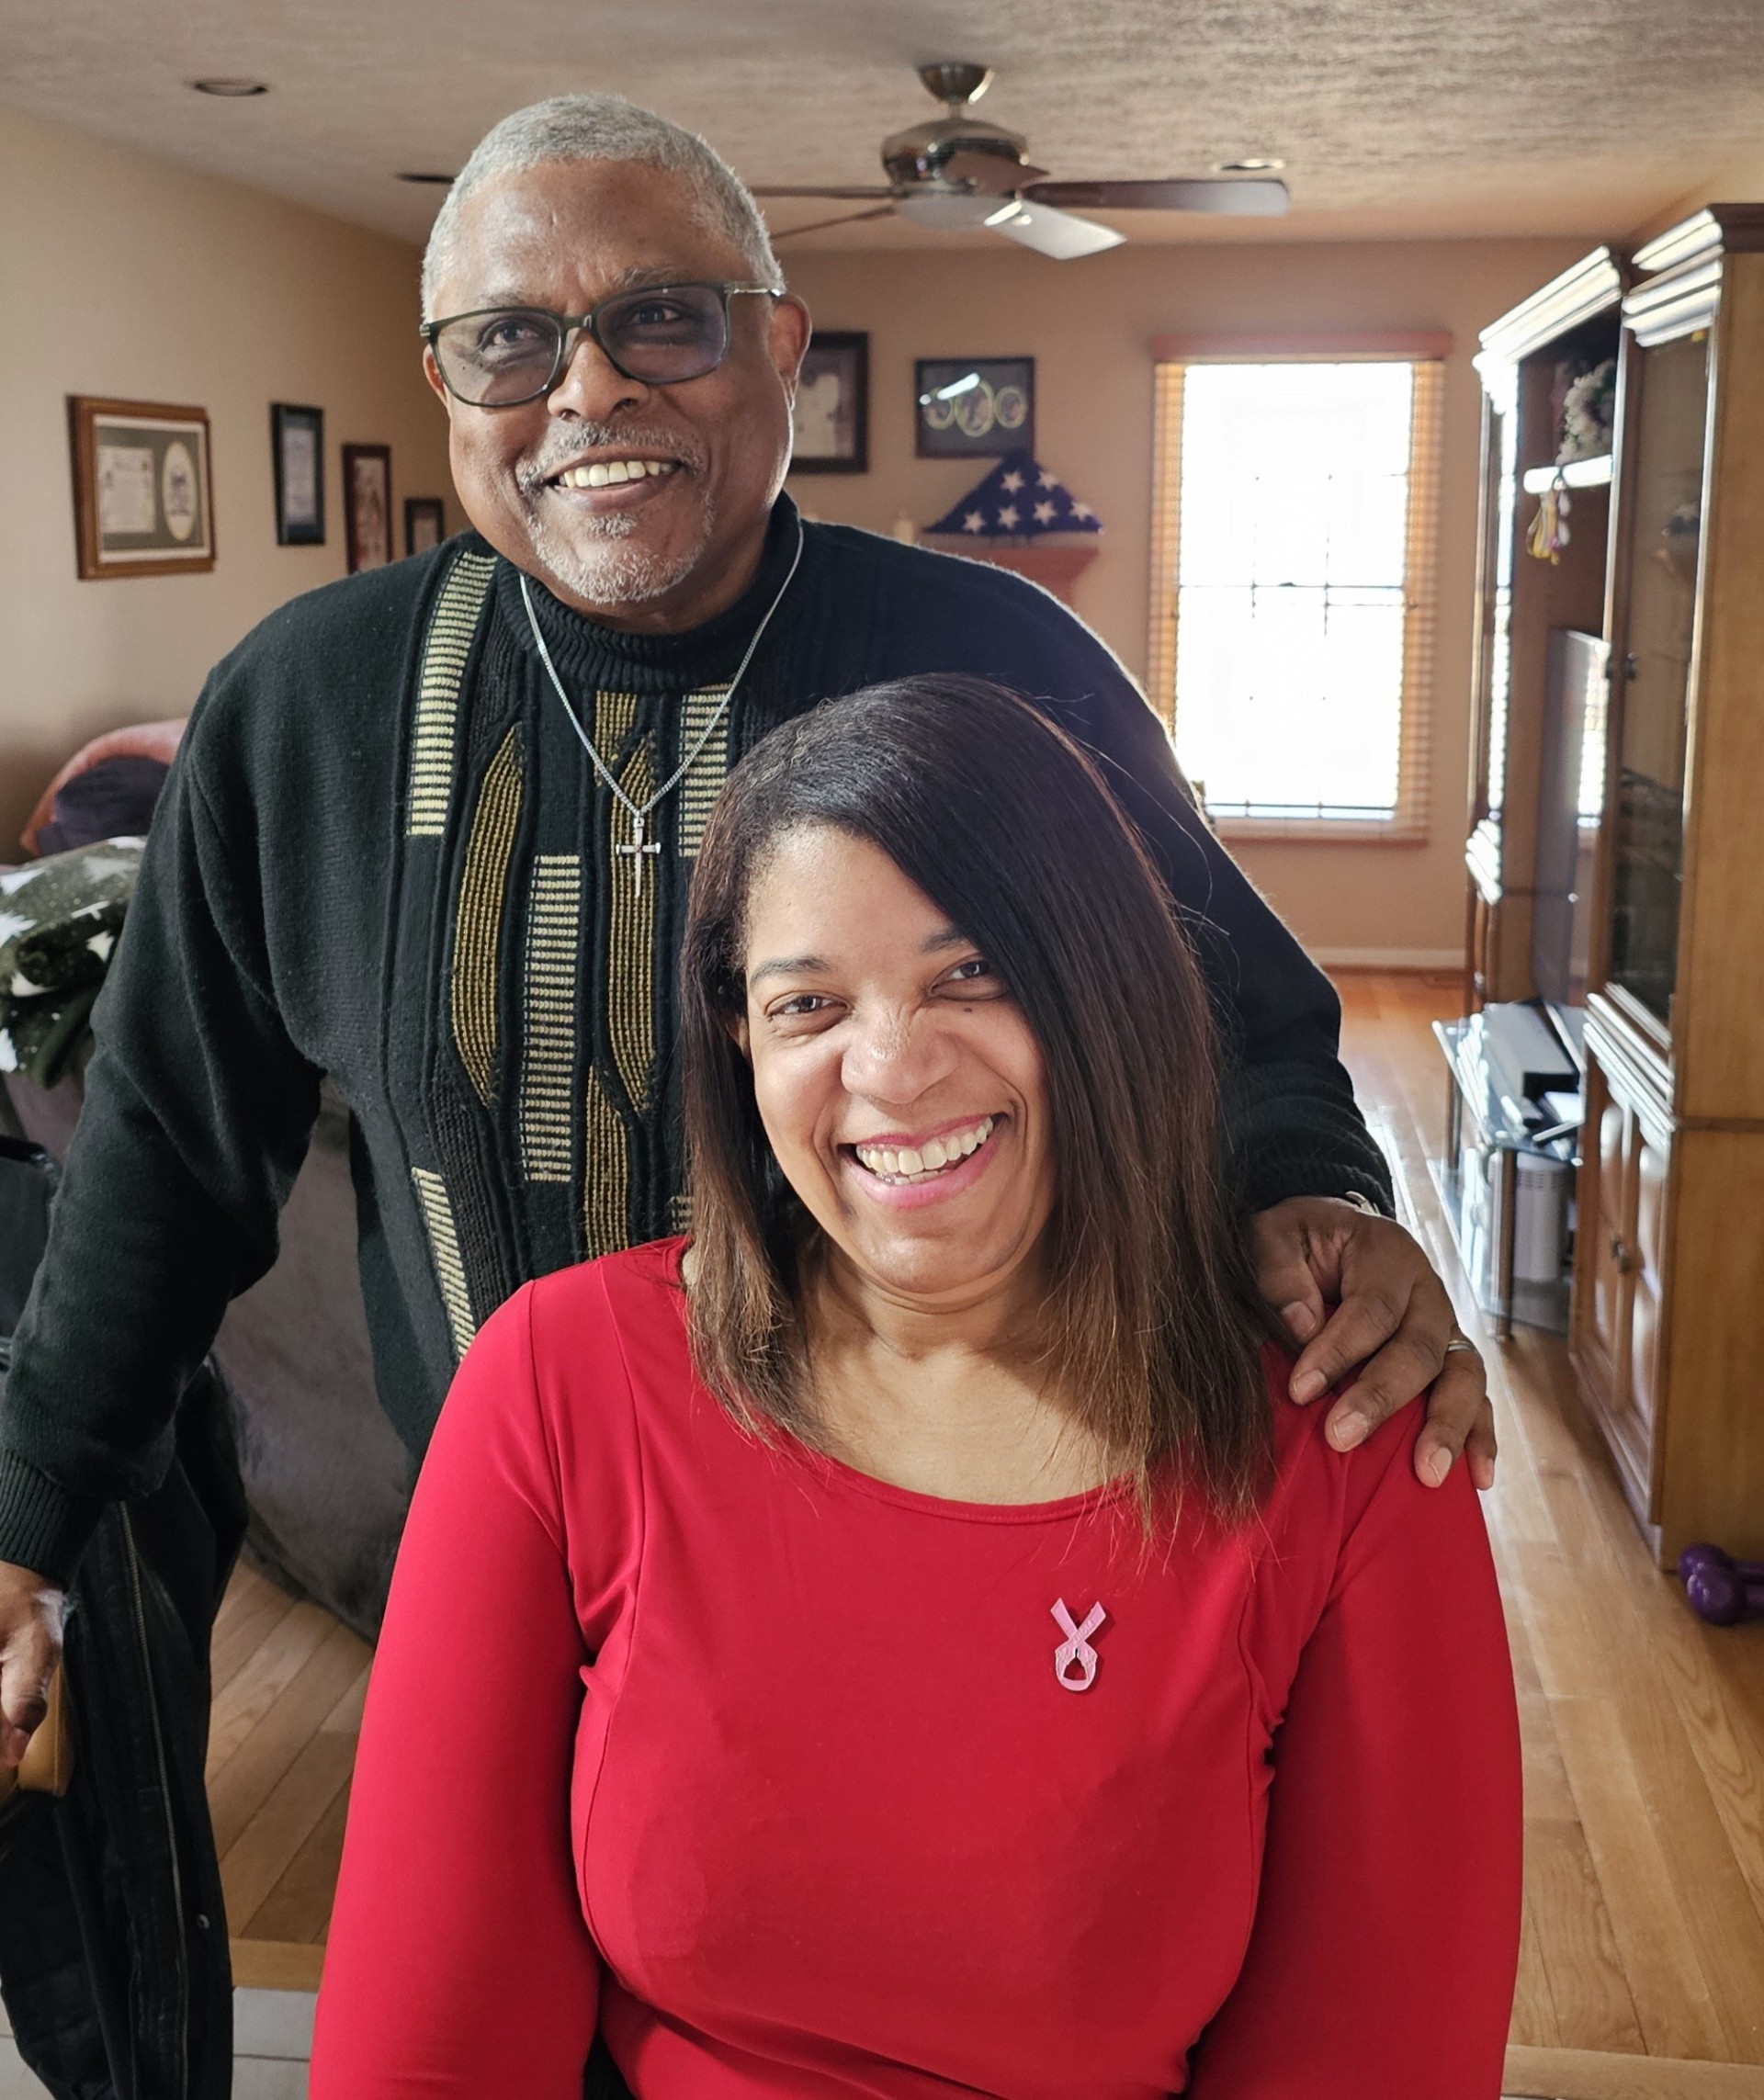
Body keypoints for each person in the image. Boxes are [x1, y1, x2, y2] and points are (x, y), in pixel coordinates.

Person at [0, 91, 1492, 1775]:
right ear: (447, 388)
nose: (586, 389)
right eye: (511, 341)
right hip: (505, 1593)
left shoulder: (999, 660)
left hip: (964, 1559)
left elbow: (1241, 1022)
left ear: (780, 341)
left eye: (661, 317)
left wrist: (1315, 1197)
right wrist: (30, 1510)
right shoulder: (303, 710)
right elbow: (163, 1154)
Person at [311, 677, 1521, 2098]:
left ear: (1109, 988)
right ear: (742, 1042)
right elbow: (427, 2052)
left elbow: (1378, 2057)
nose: (889, 1068)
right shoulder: (556, 1382)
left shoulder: (1353, 1435)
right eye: (808, 1000)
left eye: (973, 972)